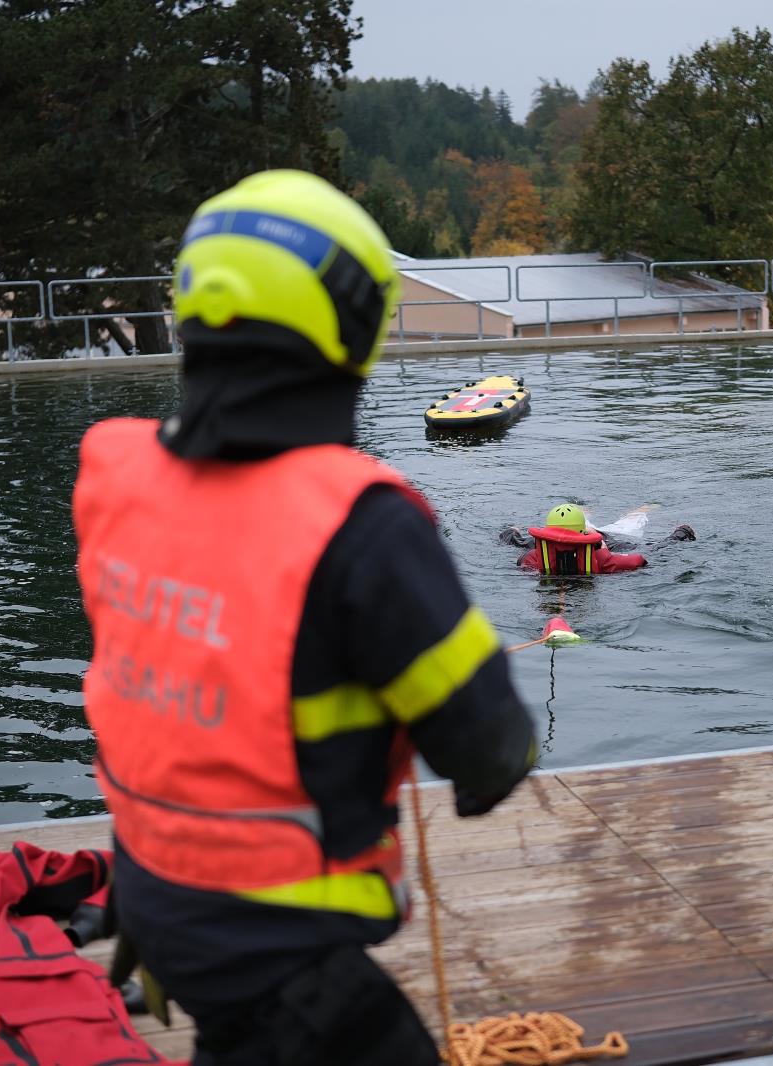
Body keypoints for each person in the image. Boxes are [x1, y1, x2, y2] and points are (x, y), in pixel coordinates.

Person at [72, 170, 536, 1066]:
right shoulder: (362, 527)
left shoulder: (116, 483)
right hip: (277, 946)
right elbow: (490, 752)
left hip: (157, 896)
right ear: (353, 325)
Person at [502, 503, 693, 575]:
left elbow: (510, 537)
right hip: (601, 540)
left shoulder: (534, 555)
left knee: (624, 525)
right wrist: (681, 533)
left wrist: (512, 529)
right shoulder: (604, 558)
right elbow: (641, 558)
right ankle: (639, 511)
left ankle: (581, 511)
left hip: (597, 537)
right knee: (629, 524)